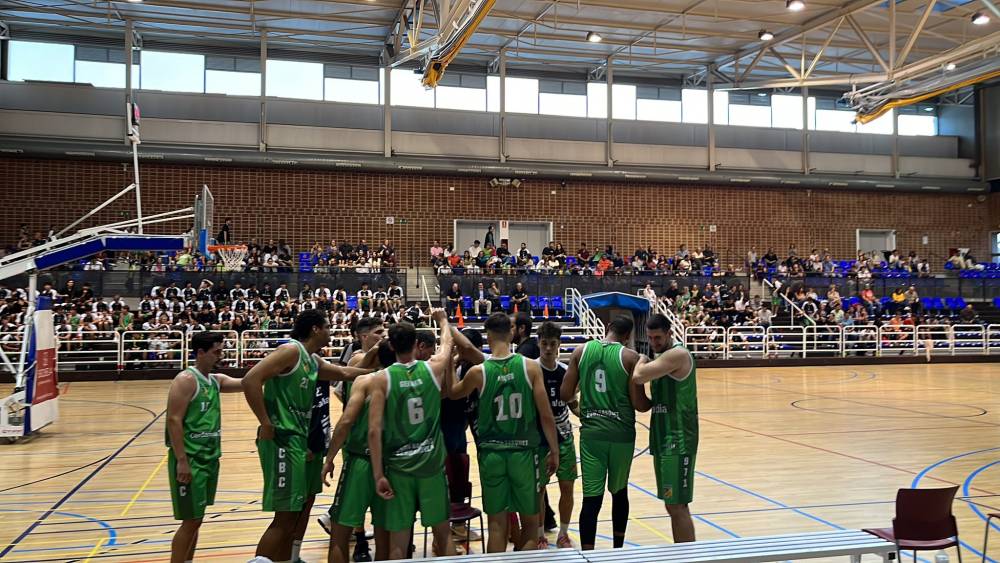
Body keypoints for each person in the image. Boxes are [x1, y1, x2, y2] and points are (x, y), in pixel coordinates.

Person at [242, 310, 376, 563]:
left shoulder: (311, 359)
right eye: (327, 327)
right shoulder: (290, 351)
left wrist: (384, 371)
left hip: (298, 440)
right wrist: (265, 422)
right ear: (315, 329)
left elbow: (345, 373)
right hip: (281, 439)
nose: (330, 332)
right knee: (284, 517)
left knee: (294, 514)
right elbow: (251, 380)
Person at [447, 312, 559, 552]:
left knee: (497, 527)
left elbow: (452, 392)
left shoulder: (478, 372)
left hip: (492, 455)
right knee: (530, 524)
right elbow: (546, 415)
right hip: (523, 454)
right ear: (510, 333)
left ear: (487, 337)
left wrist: (449, 360)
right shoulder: (530, 367)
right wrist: (555, 451)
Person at [367, 311, 456, 560]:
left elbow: (374, 430)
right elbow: (448, 344)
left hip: (398, 467)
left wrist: (378, 475)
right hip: (431, 465)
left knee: (400, 538)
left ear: (392, 345)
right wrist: (442, 321)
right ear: (417, 343)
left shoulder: (382, 379)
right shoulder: (432, 369)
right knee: (443, 534)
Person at [560, 317, 650, 550]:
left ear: (607, 328)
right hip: (621, 435)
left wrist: (576, 408)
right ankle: (617, 550)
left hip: (592, 436)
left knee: (591, 498)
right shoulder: (631, 358)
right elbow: (639, 404)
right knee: (619, 493)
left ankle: (589, 554)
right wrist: (655, 401)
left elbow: (565, 392)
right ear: (628, 336)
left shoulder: (582, 350)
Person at [166, 332, 244, 563]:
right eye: (216, 352)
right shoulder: (186, 380)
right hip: (190, 459)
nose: (220, 356)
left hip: (210, 458)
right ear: (200, 352)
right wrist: (182, 460)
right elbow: (173, 420)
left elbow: (245, 382)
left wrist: (272, 370)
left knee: (196, 519)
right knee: (190, 521)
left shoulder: (215, 380)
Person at [321, 318, 390, 563]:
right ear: (363, 336)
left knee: (385, 530)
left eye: (386, 331)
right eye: (378, 332)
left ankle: (362, 540)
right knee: (349, 518)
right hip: (358, 449)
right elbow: (348, 384)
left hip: (383, 453)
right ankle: (360, 540)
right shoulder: (356, 360)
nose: (384, 335)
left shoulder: (390, 367)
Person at [633, 314, 698, 543]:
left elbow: (639, 376)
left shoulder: (677, 354)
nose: (654, 343)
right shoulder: (662, 357)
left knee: (677, 505)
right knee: (672, 505)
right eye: (650, 338)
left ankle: (688, 556)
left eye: (658, 337)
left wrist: (640, 358)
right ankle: (683, 552)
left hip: (679, 439)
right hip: (662, 438)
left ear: (670, 333)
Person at [536, 322, 578, 549]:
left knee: (567, 487)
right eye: (544, 344)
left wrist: (591, 415)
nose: (549, 349)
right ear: (538, 344)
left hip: (564, 436)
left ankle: (563, 533)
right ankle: (540, 534)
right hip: (540, 440)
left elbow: (573, 404)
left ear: (559, 345)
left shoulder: (564, 372)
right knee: (540, 489)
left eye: (553, 344)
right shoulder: (531, 369)